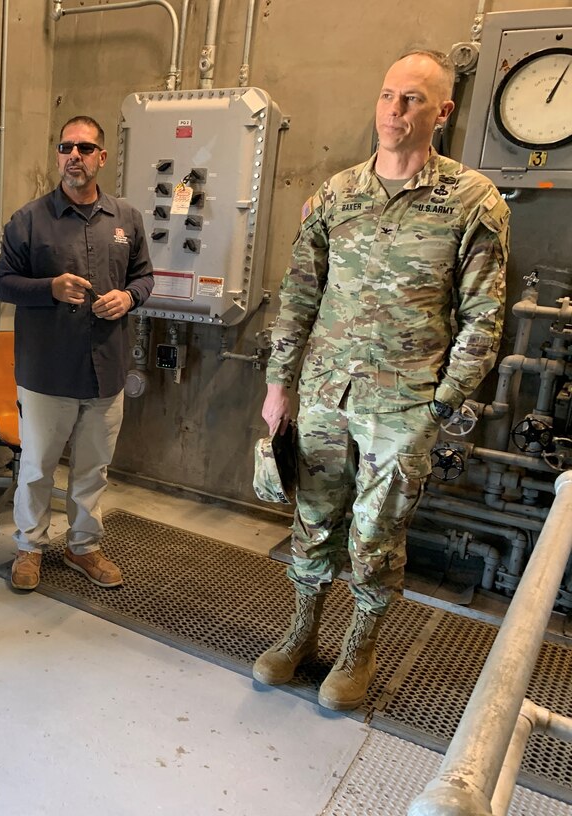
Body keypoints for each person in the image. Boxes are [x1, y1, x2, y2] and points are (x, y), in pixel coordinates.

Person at [254, 50, 510, 710]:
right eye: (387, 95)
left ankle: (358, 648)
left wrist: (445, 403)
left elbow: (484, 313)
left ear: (443, 111)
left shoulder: (472, 201)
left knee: (375, 536)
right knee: (312, 523)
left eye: (412, 100)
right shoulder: (337, 196)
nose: (394, 111)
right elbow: (299, 295)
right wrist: (279, 387)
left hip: (405, 406)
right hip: (325, 396)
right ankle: (301, 634)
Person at [0, 115, 154, 592]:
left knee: (92, 467)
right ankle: (29, 547)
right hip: (47, 373)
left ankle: (84, 547)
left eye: (85, 149)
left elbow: (145, 277)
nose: (74, 156)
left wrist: (130, 297)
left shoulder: (126, 219)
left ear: (102, 157)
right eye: (66, 148)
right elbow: (2, 282)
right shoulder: (28, 220)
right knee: (39, 467)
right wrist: (49, 287)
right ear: (58, 155)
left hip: (106, 369)